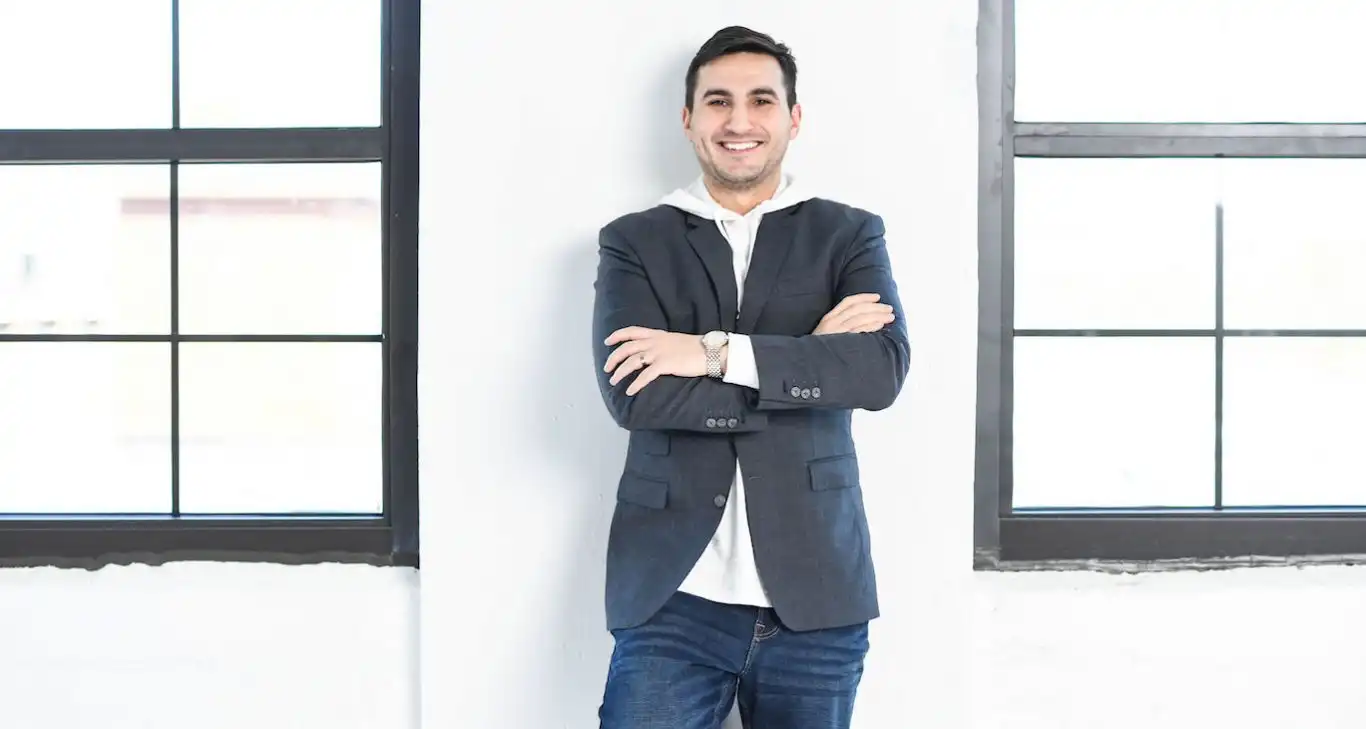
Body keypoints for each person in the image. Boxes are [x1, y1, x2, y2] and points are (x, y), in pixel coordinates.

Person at [590, 25, 910, 729]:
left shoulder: (848, 234)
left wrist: (709, 354)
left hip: (818, 594)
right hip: (672, 597)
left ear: (793, 118)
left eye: (761, 100)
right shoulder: (635, 240)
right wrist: (806, 358)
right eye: (718, 102)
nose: (739, 121)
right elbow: (636, 395)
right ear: (689, 118)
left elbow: (878, 371)